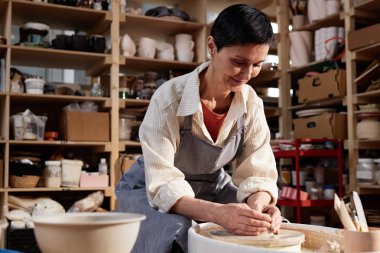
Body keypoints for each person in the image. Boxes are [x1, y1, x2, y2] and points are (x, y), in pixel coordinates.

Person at [116, 4, 281, 253]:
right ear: (212, 47)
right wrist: (219, 215)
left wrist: (258, 209)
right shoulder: (169, 98)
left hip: (211, 187)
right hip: (151, 188)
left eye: (257, 64)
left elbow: (258, 171)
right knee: (182, 230)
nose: (247, 74)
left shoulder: (251, 104)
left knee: (272, 231)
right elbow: (163, 183)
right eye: (239, 62)